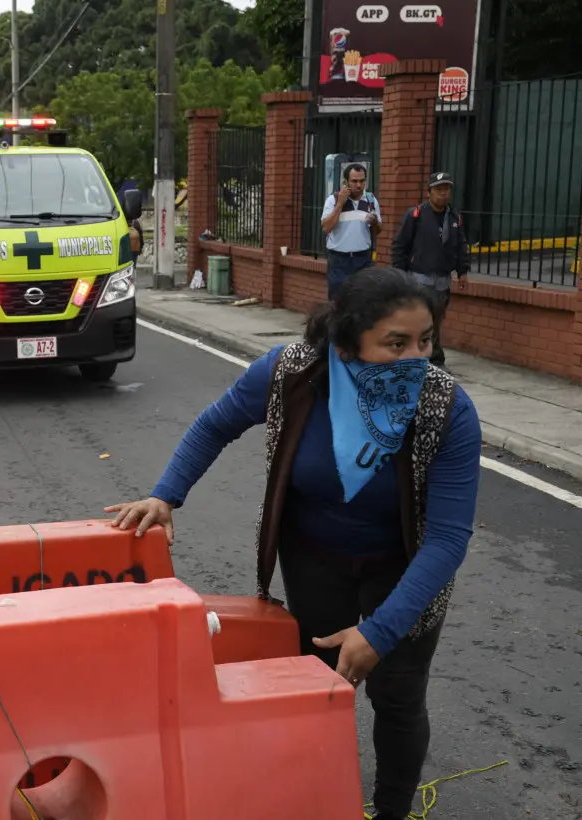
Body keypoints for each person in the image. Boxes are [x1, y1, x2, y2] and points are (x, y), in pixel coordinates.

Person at [105, 267, 481, 820]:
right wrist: (166, 495)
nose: (415, 359)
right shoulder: (289, 374)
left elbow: (447, 539)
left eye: (425, 341)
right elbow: (216, 424)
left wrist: (380, 629)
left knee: (398, 696)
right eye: (395, 343)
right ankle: (311, 797)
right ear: (348, 340)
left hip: (406, 569)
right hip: (315, 558)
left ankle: (393, 809)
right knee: (312, 682)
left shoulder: (446, 408)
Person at [391, 172, 470, 369]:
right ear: (429, 192)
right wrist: (400, 275)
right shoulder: (416, 215)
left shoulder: (454, 217)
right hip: (420, 278)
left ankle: (429, 358)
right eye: (438, 189)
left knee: (435, 320)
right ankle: (431, 359)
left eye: (446, 189)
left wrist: (462, 271)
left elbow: (461, 245)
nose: (443, 194)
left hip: (443, 279)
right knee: (423, 319)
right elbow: (400, 246)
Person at [322, 162, 381, 298]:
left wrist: (375, 222)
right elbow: (326, 227)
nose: (359, 185)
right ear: (346, 182)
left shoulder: (371, 200)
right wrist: (340, 204)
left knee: (362, 300)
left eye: (362, 181)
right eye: (354, 181)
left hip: (363, 259)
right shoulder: (333, 199)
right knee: (338, 301)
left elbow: (378, 231)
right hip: (339, 260)